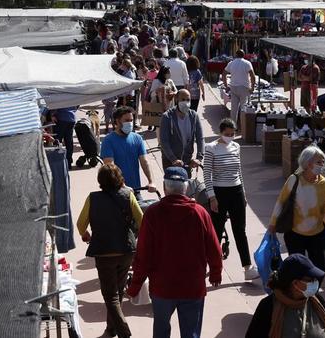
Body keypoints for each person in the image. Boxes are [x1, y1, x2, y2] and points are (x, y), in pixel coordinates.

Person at [127, 166, 223, 338]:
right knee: (191, 333)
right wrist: (215, 273)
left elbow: (143, 255)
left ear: (164, 188)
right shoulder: (200, 213)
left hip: (163, 287)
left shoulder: (152, 214)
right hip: (192, 286)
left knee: (161, 331)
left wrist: (135, 285)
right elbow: (214, 248)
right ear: (186, 188)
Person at [77, 164, 143, 338]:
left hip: (104, 252)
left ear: (100, 181)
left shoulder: (93, 198)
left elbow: (80, 224)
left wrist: (85, 234)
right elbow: (142, 220)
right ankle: (110, 329)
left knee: (110, 296)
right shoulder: (128, 195)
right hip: (126, 250)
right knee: (118, 292)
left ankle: (123, 332)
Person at [204, 118, 259, 281]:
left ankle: (247, 267)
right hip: (219, 192)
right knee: (216, 231)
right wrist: (212, 197)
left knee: (240, 230)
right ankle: (212, 266)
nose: (230, 137)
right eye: (227, 134)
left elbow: (239, 171)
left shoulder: (236, 147)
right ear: (220, 133)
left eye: (232, 134)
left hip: (236, 192)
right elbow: (207, 174)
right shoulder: (211, 148)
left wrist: (243, 193)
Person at [268, 146, 325, 275]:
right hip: (295, 234)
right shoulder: (294, 180)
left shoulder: (324, 183)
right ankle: (298, 294)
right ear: (308, 163)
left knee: (320, 269)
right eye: (318, 162)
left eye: (323, 162)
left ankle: (312, 293)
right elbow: (281, 202)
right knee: (297, 271)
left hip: (318, 235)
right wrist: (272, 224)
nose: (321, 165)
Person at [245, 254, 325, 338]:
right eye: (310, 280)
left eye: (315, 279)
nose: (315, 283)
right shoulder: (268, 306)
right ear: (295, 283)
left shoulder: (318, 302)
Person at [100, 106, 157, 193]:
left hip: (136, 190)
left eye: (131, 120)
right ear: (117, 121)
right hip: (117, 191)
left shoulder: (137, 138)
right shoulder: (108, 141)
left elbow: (144, 162)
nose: (130, 123)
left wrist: (151, 182)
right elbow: (110, 168)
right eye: (126, 120)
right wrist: (123, 186)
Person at [160, 89, 204, 172]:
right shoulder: (167, 117)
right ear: (176, 99)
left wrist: (199, 158)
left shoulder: (194, 116)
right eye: (183, 99)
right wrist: (173, 159)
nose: (186, 102)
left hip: (186, 162)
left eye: (188, 100)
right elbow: (164, 141)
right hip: (170, 161)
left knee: (186, 183)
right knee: (171, 183)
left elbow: (200, 138)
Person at [221, 49, 257, 126]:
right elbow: (252, 76)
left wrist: (226, 86)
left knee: (234, 109)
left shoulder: (231, 63)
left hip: (233, 87)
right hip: (244, 87)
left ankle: (233, 127)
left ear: (236, 55)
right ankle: (243, 127)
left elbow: (223, 74)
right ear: (243, 55)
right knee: (244, 108)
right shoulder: (247, 63)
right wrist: (252, 87)